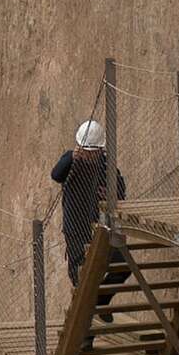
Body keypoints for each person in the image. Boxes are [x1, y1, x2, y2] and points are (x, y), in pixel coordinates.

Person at [52, 119, 129, 330]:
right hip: (77, 230)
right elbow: (56, 174)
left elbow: (121, 190)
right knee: (82, 280)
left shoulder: (106, 166)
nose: (89, 155)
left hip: (101, 228)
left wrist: (110, 196)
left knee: (122, 264)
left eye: (93, 152)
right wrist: (72, 157)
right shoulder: (71, 163)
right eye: (86, 151)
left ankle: (100, 303)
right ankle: (85, 336)